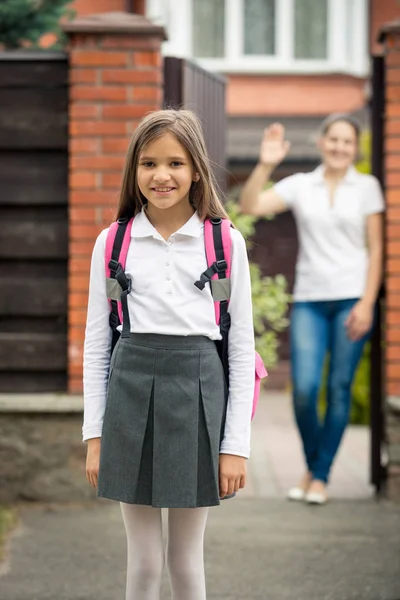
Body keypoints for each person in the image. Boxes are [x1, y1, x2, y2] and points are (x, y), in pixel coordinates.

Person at [83, 109, 255, 600]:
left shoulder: (224, 242)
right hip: (129, 395)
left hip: (198, 392)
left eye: (176, 163)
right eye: (149, 163)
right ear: (133, 171)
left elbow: (241, 347)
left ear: (196, 169)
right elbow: (98, 343)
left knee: (185, 561)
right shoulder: (112, 242)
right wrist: (95, 434)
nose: (162, 176)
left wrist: (234, 445)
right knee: (142, 561)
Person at [240, 114, 384, 505]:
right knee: (303, 389)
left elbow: (377, 249)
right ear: (321, 143)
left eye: (347, 142)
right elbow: (250, 205)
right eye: (333, 140)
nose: (340, 147)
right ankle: (314, 468)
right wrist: (267, 163)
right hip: (309, 300)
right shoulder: (303, 185)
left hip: (352, 300)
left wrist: (369, 302)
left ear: (355, 148)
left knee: (338, 388)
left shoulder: (367, 188)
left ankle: (317, 478)